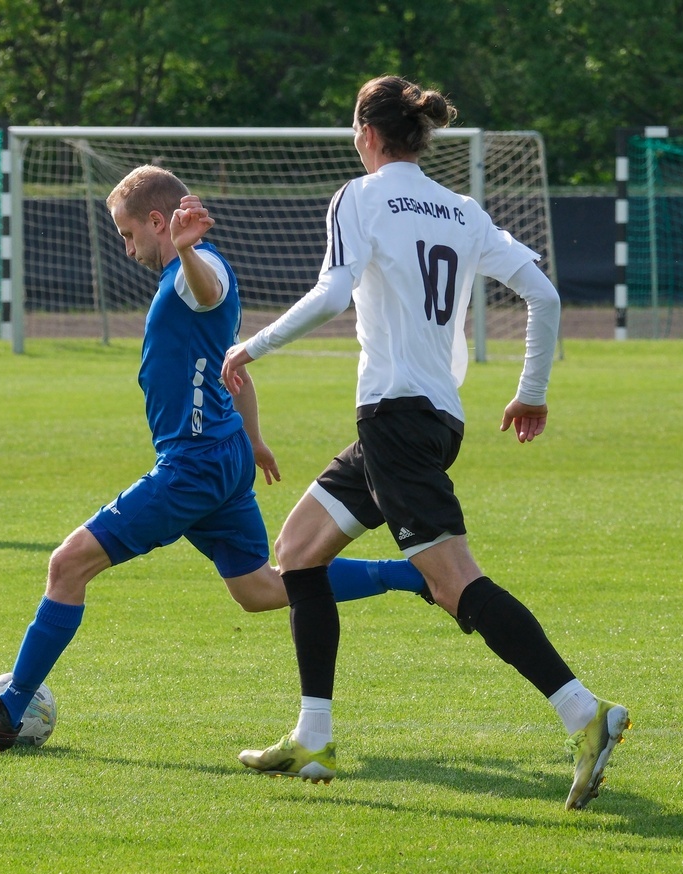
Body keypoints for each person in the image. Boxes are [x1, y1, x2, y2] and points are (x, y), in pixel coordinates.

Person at [222, 75, 629, 808]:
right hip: (433, 421)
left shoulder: (359, 196)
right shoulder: (462, 210)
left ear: (367, 134)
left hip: (394, 420)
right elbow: (543, 294)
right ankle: (313, 735)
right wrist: (531, 391)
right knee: (299, 550)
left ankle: (584, 712)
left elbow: (333, 293)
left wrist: (251, 346)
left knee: (452, 583)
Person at [0, 166, 426, 757]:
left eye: (128, 234)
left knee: (68, 564)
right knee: (259, 589)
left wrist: (188, 250)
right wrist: (254, 439)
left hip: (192, 466)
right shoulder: (188, 271)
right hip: (221, 455)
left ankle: (9, 709)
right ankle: (410, 575)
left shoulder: (197, 269)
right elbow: (234, 369)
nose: (128, 249)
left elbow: (208, 291)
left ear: (156, 221)